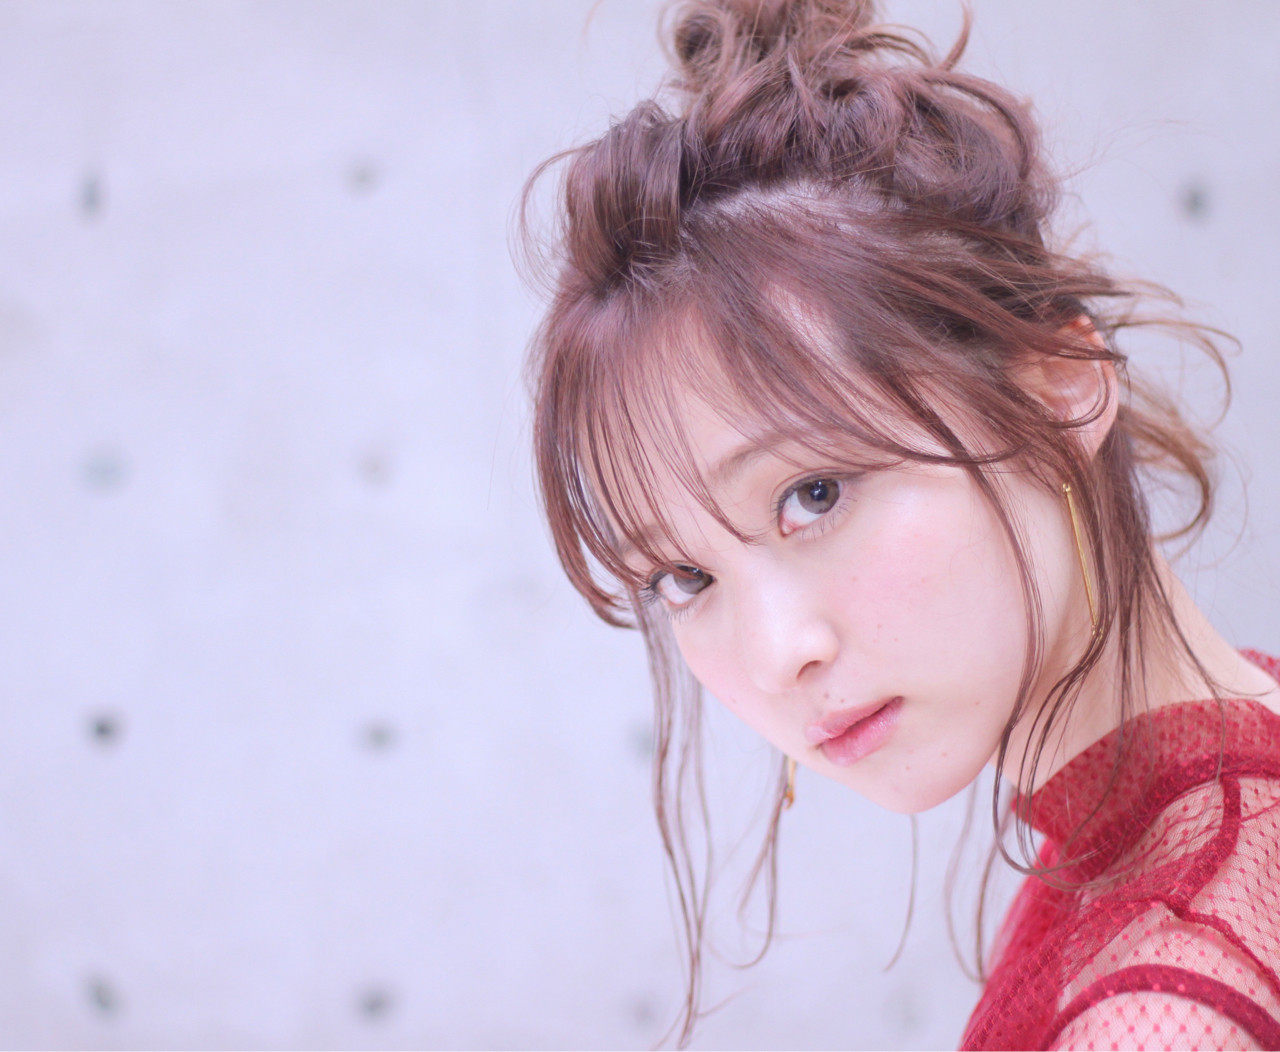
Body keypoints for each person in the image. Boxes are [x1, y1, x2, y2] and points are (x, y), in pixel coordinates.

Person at [521, 0, 1280, 1047]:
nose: (780, 652)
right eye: (685, 578)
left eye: (814, 493)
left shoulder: (1160, 1004)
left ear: (1060, 384)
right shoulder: (1217, 780)